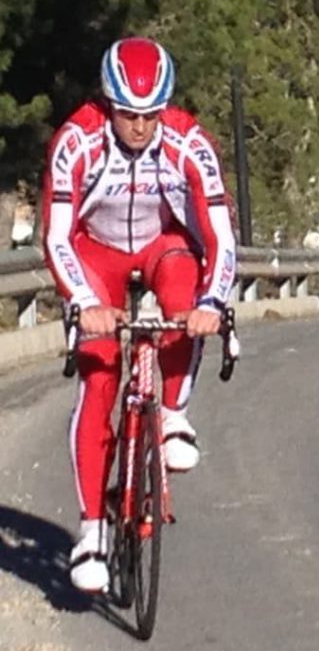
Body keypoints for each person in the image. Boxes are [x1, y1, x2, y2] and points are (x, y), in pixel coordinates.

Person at [41, 37, 237, 592]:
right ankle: (91, 533)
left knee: (184, 297)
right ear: (108, 104)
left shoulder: (188, 141)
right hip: (94, 251)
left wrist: (212, 304)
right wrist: (84, 303)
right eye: (127, 114)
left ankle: (172, 413)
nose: (140, 128)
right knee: (99, 376)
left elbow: (220, 234)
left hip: (161, 244)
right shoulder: (76, 139)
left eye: (151, 115)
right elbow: (56, 235)